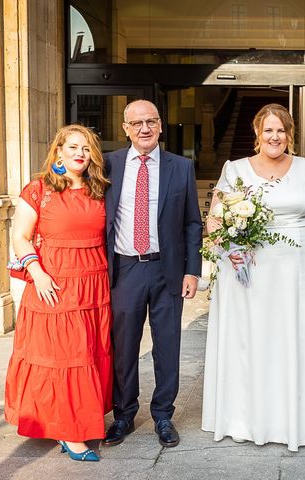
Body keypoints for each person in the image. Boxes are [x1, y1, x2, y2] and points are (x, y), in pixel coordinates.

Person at [201, 103, 305, 452]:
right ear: (257, 133)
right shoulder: (234, 169)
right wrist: (228, 247)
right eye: (268, 130)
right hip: (249, 268)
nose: (274, 137)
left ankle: (303, 418)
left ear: (289, 134)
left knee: (298, 336)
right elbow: (215, 220)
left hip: (301, 269)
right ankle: (249, 418)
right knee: (254, 338)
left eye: (281, 130)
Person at [5, 125, 112, 462]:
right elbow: (21, 236)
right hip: (54, 285)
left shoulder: (99, 189)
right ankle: (69, 433)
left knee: (88, 355)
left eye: (86, 148)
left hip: (93, 285)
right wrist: (37, 274)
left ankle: (81, 419)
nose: (80, 153)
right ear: (59, 152)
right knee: (65, 358)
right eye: (73, 147)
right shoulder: (39, 190)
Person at [102, 100, 202, 448]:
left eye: (151, 121)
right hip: (125, 268)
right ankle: (124, 414)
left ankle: (163, 415)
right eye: (137, 123)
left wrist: (192, 271)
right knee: (124, 346)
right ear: (125, 128)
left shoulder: (180, 166)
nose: (145, 128)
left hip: (167, 269)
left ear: (160, 125)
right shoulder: (108, 164)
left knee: (168, 345)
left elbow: (192, 222)